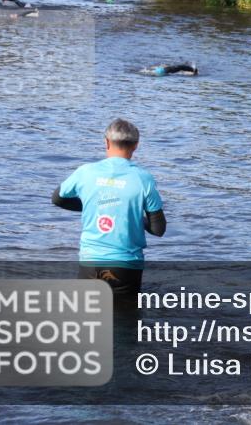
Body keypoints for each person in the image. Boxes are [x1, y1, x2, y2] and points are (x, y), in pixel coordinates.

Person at [52, 118, 166, 304]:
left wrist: (94, 204)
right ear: (136, 146)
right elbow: (158, 229)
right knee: (126, 321)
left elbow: (57, 199)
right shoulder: (143, 178)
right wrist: (137, 218)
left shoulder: (85, 172)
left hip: (90, 262)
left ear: (106, 142)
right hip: (125, 266)